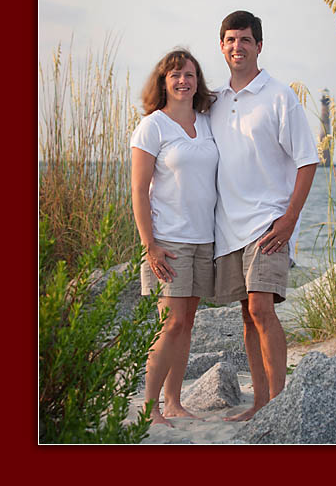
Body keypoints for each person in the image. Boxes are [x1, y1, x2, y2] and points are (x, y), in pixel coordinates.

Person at [210, 11, 318, 421]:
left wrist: (288, 222)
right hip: (229, 228)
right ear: (222, 46)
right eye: (231, 39)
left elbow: (308, 161)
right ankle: (259, 402)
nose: (238, 46)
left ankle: (279, 404)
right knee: (246, 313)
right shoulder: (216, 101)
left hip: (269, 224)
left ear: (259, 46)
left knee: (260, 309)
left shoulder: (279, 96)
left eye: (246, 39)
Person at [130, 49, 218, 427]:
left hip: (204, 239)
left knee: (188, 321)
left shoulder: (207, 123)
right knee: (171, 324)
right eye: (175, 75)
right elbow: (138, 190)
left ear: (198, 81)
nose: (183, 81)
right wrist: (150, 244)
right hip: (169, 240)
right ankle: (150, 408)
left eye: (190, 75)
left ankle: (175, 401)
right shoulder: (153, 126)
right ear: (163, 82)